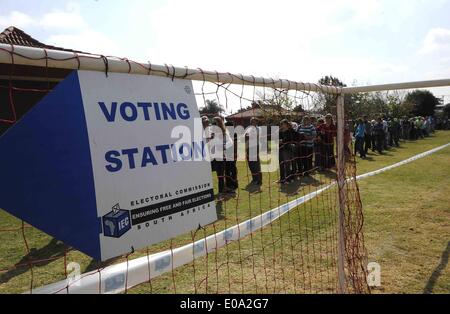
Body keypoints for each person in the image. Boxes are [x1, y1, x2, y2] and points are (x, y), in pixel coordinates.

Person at [278, 119, 297, 184]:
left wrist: (282, 141)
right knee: (281, 164)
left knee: (287, 165)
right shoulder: (279, 131)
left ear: (286, 124)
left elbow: (290, 139)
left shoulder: (290, 131)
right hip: (280, 149)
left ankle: (288, 179)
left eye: (283, 124)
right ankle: (282, 179)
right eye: (281, 124)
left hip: (287, 150)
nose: (282, 125)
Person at [244, 117, 262, 186]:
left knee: (256, 164)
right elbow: (245, 137)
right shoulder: (248, 129)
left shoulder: (258, 129)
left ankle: (259, 180)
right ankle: (254, 178)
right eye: (252, 122)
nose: (253, 123)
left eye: (254, 122)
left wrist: (248, 136)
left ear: (256, 122)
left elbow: (253, 136)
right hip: (248, 147)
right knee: (250, 164)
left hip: (255, 147)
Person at [225, 121, 239, 190]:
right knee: (228, 170)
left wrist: (235, 154)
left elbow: (236, 145)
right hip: (227, 154)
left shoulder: (234, 134)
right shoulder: (225, 134)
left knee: (232, 169)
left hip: (232, 154)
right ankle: (228, 183)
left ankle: (234, 183)